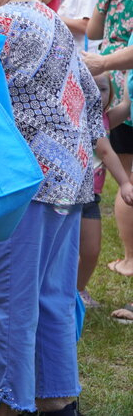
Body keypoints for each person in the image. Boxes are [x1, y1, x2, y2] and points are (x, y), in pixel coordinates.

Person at [0, 0, 104, 416]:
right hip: (70, 180)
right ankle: (60, 400)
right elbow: (89, 96)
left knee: (11, 303)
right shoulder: (47, 16)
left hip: (25, 184)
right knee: (54, 299)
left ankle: (7, 405)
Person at [77, 74, 133, 310]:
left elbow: (128, 106)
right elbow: (107, 153)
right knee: (65, 252)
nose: (95, 94)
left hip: (92, 199)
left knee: (91, 250)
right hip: (67, 197)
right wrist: (124, 183)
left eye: (101, 89)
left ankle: (77, 291)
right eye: (87, 87)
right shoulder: (75, 119)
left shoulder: (106, 119)